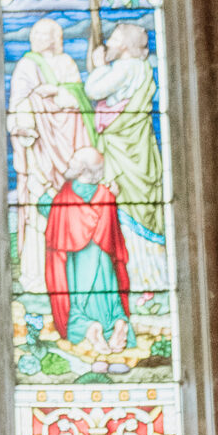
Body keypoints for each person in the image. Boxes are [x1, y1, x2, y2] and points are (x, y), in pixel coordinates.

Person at [82, 22, 169, 291]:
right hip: (138, 146)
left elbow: (93, 91)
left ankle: (146, 282)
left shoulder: (125, 68)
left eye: (113, 39)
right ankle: (150, 282)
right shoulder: (141, 67)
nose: (108, 42)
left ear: (123, 46)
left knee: (128, 212)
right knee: (138, 209)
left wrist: (99, 66)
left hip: (124, 149)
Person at [7, 17, 90, 293]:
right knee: (37, 207)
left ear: (57, 37)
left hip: (69, 145)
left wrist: (55, 92)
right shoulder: (26, 66)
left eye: (46, 33)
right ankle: (37, 276)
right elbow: (16, 107)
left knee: (72, 204)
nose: (39, 37)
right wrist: (28, 117)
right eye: (36, 33)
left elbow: (79, 97)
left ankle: (77, 275)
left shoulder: (66, 63)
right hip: (38, 150)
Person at [44, 145, 130, 353]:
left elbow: (54, 219)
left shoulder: (64, 197)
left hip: (77, 265)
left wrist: (44, 197)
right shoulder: (105, 195)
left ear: (81, 169)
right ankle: (118, 322)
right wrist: (113, 195)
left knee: (78, 303)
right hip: (104, 263)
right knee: (111, 296)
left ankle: (88, 327)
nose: (70, 162)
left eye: (74, 159)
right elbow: (112, 234)